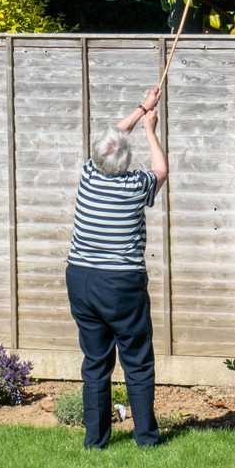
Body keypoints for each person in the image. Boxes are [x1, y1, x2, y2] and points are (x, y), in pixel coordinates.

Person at [65, 87, 168, 449]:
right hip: (121, 284)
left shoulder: (89, 175)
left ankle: (95, 442)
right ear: (125, 162)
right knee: (137, 361)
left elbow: (112, 136)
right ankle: (146, 440)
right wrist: (151, 128)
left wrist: (141, 108)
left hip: (80, 279)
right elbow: (161, 169)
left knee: (95, 362)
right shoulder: (136, 186)